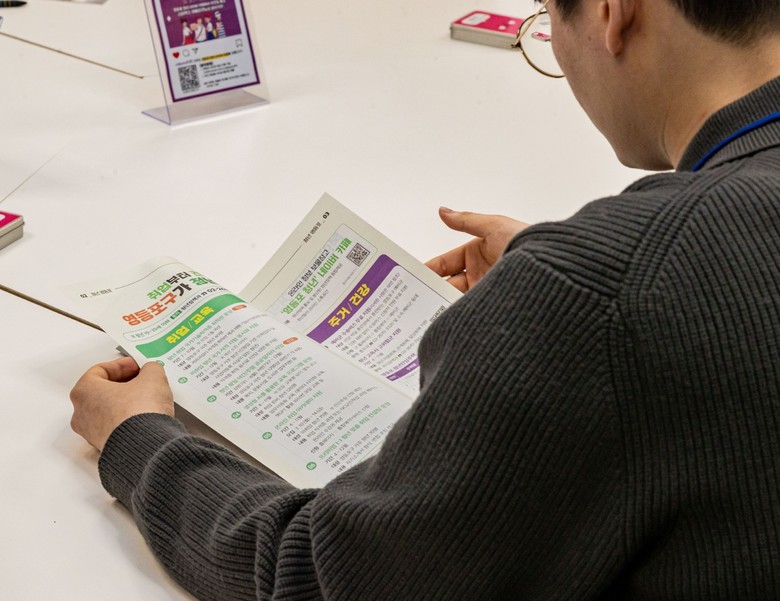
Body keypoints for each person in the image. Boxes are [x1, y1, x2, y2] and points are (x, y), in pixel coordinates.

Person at [70, 0, 780, 599]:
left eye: (544, 18)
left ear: (612, 12)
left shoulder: (601, 294)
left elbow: (321, 577)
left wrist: (138, 442)